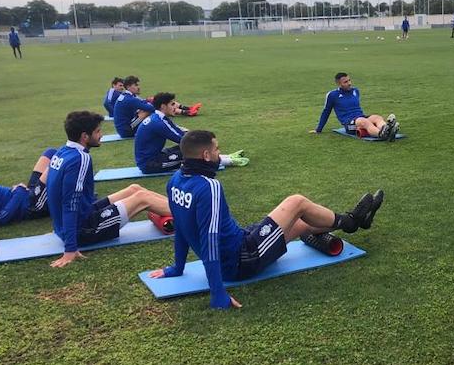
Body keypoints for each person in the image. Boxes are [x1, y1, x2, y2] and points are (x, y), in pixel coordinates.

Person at [148, 130, 385, 309]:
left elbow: (182, 229)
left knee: (300, 223)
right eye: (218, 150)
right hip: (242, 259)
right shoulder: (209, 186)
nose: (220, 154)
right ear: (206, 155)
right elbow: (209, 241)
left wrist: (177, 268)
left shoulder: (175, 180)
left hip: (239, 244)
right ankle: (352, 221)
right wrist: (217, 292)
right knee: (297, 202)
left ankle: (354, 221)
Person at [45, 110, 174, 268]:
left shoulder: (62, 152)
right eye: (98, 131)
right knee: (142, 199)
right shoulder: (80, 158)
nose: (101, 134)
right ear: (85, 136)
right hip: (84, 230)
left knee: (135, 189)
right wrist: (70, 248)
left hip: (75, 221)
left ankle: (178, 208)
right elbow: (70, 204)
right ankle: (191, 213)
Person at [134, 92, 246, 174]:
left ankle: (226, 157)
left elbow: (179, 131)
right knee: (192, 153)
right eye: (172, 104)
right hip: (150, 164)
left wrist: (195, 136)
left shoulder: (158, 117)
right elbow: (182, 139)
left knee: (187, 148)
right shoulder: (158, 122)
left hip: (155, 156)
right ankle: (230, 161)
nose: (175, 107)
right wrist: (200, 140)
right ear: (163, 106)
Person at [310, 72, 400, 141]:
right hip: (349, 124)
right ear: (338, 84)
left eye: (349, 80)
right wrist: (318, 129)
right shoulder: (332, 95)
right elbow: (326, 112)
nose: (349, 83)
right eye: (345, 82)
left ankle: (387, 129)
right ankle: (382, 134)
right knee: (364, 121)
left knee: (376, 117)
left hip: (360, 117)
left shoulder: (355, 91)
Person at [113, 75, 201, 138]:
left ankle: (188, 109)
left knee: (156, 101)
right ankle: (184, 114)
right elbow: (151, 108)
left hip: (125, 127)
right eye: (136, 85)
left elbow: (144, 103)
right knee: (153, 109)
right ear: (128, 87)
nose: (138, 87)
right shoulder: (130, 99)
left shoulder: (128, 96)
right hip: (126, 130)